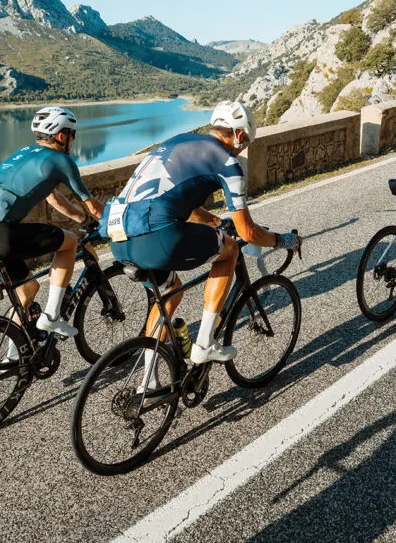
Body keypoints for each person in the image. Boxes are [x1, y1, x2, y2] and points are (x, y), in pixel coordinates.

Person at [101, 100, 300, 371]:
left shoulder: (177, 141)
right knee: (230, 250)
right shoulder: (227, 162)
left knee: (169, 293)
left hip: (118, 236)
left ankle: (149, 382)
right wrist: (284, 240)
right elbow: (248, 232)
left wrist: (217, 222)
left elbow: (184, 203)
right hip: (157, 236)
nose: (242, 148)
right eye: (245, 142)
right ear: (239, 135)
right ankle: (205, 343)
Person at [0, 106, 104, 341]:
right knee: (69, 242)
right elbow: (94, 207)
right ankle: (52, 316)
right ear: (61, 136)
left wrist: (84, 220)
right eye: (72, 134)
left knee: (27, 291)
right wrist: (112, 220)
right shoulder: (60, 160)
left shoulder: (24, 152)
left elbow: (53, 198)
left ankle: (15, 354)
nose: (73, 140)